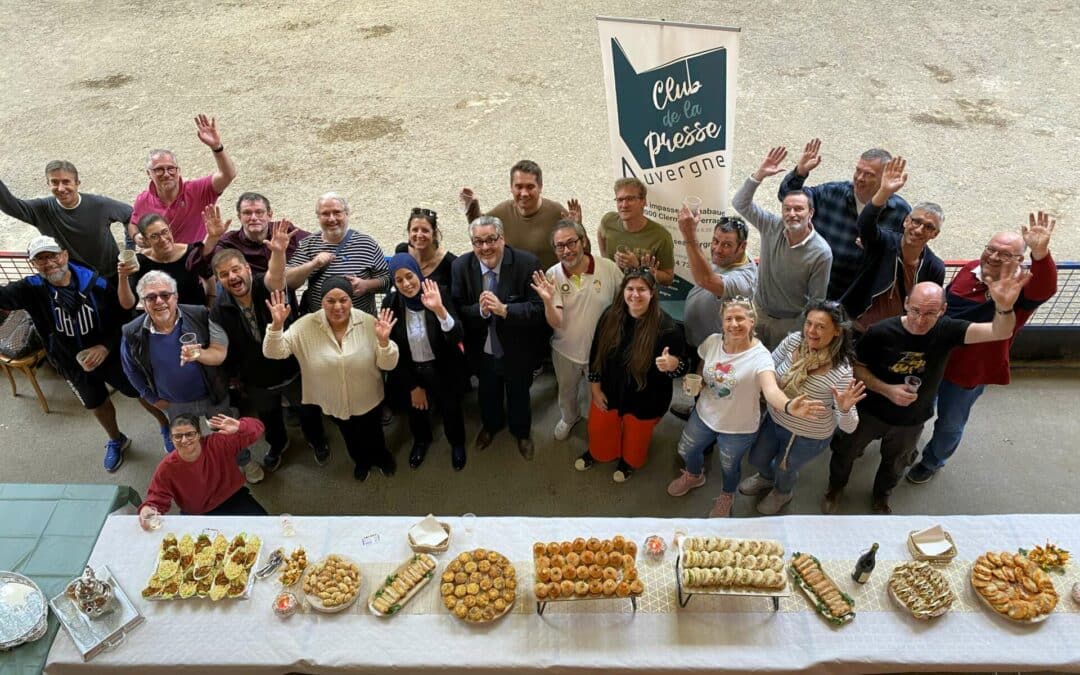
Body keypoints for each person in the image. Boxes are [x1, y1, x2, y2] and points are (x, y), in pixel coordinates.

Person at [824, 275, 1032, 515]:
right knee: (845, 451)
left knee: (896, 463)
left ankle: (881, 497)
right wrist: (887, 389)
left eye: (930, 313)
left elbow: (999, 332)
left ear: (943, 310)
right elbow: (857, 367)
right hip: (870, 412)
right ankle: (835, 489)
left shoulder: (949, 330)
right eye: (915, 310)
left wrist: (1004, 307)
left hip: (912, 417)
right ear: (906, 304)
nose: (920, 320)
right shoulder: (881, 331)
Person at [907, 212, 1059, 484]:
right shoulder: (969, 269)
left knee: (950, 422)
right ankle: (907, 448)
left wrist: (1041, 253)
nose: (994, 256)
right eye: (991, 249)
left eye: (1005, 254)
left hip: (969, 372)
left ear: (1019, 261)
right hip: (935, 360)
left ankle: (932, 461)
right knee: (918, 407)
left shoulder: (1021, 287)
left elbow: (1044, 289)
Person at [0, 236, 170, 472]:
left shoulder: (96, 283)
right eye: (40, 260)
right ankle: (117, 440)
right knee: (96, 403)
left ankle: (165, 426)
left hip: (110, 355)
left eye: (52, 256)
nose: (49, 263)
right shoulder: (32, 288)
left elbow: (123, 317)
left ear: (65, 255)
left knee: (138, 390)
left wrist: (105, 347)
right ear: (34, 265)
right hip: (71, 361)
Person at [665, 297, 826, 517]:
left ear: (752, 321)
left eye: (740, 318)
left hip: (738, 427)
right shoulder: (712, 341)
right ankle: (694, 475)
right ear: (721, 322)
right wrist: (699, 381)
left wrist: (788, 405)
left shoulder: (760, 357)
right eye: (728, 318)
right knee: (686, 449)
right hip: (704, 414)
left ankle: (727, 495)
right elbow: (703, 364)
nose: (734, 324)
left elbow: (770, 389)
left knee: (729, 466)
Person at [119, 270, 264, 484]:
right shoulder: (132, 333)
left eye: (165, 295)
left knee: (227, 432)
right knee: (186, 440)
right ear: (143, 302)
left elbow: (223, 348)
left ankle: (244, 461)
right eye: (151, 297)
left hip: (212, 394)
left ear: (176, 296)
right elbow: (130, 370)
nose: (159, 301)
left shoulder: (200, 314)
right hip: (175, 403)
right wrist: (150, 397)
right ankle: (199, 473)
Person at [210, 226, 330, 472]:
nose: (231, 277)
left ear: (247, 269)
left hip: (291, 369)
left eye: (235, 270)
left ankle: (317, 441)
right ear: (218, 280)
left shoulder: (264, 285)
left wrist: (278, 252)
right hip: (257, 380)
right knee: (269, 418)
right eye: (223, 274)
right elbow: (222, 348)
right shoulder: (218, 310)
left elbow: (276, 277)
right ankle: (278, 445)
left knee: (308, 410)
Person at [263, 277, 400, 481]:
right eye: (330, 301)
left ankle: (382, 458)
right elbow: (274, 352)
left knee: (374, 433)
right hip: (332, 400)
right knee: (349, 435)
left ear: (351, 300)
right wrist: (276, 326)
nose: (338, 307)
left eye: (343, 300)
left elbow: (388, 364)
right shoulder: (305, 326)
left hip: (368, 397)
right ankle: (360, 461)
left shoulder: (368, 322)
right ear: (322, 301)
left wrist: (383, 343)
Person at [738, 301, 866, 514]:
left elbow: (850, 427)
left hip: (806, 435)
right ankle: (765, 478)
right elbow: (768, 366)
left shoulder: (842, 372)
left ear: (837, 331)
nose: (811, 331)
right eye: (809, 323)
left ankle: (782, 492)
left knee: (785, 468)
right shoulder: (793, 341)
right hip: (775, 417)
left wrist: (844, 409)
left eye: (821, 326)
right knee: (757, 457)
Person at [451, 216, 547, 459]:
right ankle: (491, 426)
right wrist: (481, 310)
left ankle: (521, 432)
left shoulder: (527, 264)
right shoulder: (461, 266)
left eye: (491, 239)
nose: (485, 248)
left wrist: (505, 310)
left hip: (517, 351)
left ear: (503, 238)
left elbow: (538, 310)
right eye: (478, 242)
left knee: (519, 394)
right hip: (482, 351)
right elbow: (458, 309)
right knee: (487, 392)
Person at [579, 269, 687, 482]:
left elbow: (682, 368)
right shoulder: (610, 315)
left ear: (652, 293)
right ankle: (599, 452)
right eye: (630, 289)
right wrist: (595, 386)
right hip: (610, 388)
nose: (635, 295)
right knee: (599, 427)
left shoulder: (668, 328)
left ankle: (628, 462)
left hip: (645, 396)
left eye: (641, 289)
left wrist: (673, 364)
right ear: (623, 291)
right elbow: (596, 352)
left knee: (636, 437)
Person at [778, 139, 910, 298]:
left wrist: (880, 248)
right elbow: (788, 198)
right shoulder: (831, 194)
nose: (860, 178)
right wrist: (799, 173)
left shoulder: (900, 212)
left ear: (885, 178)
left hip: (859, 301)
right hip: (818, 292)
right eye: (858, 170)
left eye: (869, 174)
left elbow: (905, 254)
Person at [530, 219, 623, 440]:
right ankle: (569, 418)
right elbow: (556, 321)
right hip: (565, 351)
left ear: (583, 241)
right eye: (560, 246)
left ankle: (599, 424)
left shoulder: (608, 268)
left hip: (601, 352)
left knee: (599, 395)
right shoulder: (552, 275)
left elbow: (623, 304)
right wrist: (546, 301)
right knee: (567, 391)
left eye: (571, 242)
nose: (567, 250)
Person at [731, 146, 833, 349]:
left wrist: (799, 334)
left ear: (810, 213)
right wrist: (759, 174)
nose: (792, 213)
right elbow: (740, 203)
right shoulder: (772, 225)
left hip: (789, 324)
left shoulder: (821, 252)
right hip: (757, 313)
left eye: (799, 209)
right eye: (787, 208)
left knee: (778, 373)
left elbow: (816, 300)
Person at [382, 253, 468, 470]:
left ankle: (457, 443)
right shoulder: (391, 303)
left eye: (409, 276)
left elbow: (457, 336)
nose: (406, 284)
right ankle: (421, 441)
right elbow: (395, 352)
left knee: (451, 409)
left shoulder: (438, 293)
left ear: (418, 273)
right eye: (399, 280)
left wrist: (439, 309)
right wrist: (412, 386)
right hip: (412, 371)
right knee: (416, 410)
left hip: (443, 368)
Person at [840, 157, 944, 333]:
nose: (918, 230)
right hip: (855, 328)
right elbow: (865, 224)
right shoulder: (884, 243)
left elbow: (929, 308)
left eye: (928, 227)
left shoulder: (934, 267)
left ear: (935, 234)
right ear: (905, 221)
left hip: (892, 336)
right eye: (916, 222)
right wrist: (884, 192)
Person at [672, 209, 758, 419]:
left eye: (727, 244)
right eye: (715, 241)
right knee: (696, 382)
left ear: (742, 247)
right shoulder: (726, 260)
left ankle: (702, 427)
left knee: (708, 389)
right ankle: (696, 410)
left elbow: (706, 281)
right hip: (699, 338)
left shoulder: (742, 280)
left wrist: (689, 237)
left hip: (714, 350)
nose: (717, 249)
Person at [0, 160, 132, 279]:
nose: (61, 188)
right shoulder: (40, 209)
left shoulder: (101, 205)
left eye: (66, 182)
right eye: (54, 182)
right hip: (74, 282)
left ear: (77, 183)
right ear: (48, 184)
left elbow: (130, 215)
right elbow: (11, 206)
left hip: (110, 277)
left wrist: (130, 248)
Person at [138, 414, 268, 529]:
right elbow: (155, 499)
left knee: (266, 528)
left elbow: (258, 428)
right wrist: (147, 509)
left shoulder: (218, 442)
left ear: (199, 434)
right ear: (171, 439)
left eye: (189, 434)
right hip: (198, 514)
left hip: (233, 497)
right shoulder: (166, 468)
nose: (184, 440)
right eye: (178, 436)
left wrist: (241, 426)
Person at [130, 114, 238, 244]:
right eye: (159, 169)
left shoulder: (198, 190)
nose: (166, 174)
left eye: (171, 168)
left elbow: (228, 175)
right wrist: (136, 236)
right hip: (162, 260)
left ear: (178, 171)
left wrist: (217, 147)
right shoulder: (143, 200)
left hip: (195, 259)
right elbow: (133, 223)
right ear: (149, 174)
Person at [460, 159, 580, 270]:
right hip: (514, 289)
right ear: (511, 188)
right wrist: (472, 206)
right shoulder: (502, 212)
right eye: (519, 187)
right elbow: (480, 231)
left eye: (530, 187)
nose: (524, 193)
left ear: (540, 187)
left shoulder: (556, 213)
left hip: (550, 287)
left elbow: (581, 253)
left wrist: (578, 228)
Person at [285, 192, 389, 315]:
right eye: (325, 213)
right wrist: (313, 264)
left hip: (360, 324)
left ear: (347, 213)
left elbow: (387, 280)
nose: (332, 219)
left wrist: (366, 285)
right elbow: (288, 281)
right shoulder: (308, 245)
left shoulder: (367, 243)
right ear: (318, 217)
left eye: (337, 212)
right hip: (320, 324)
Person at [187, 191, 310, 275]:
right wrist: (211, 239)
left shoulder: (284, 231)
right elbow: (195, 269)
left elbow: (317, 242)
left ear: (269, 215)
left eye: (259, 212)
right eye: (247, 213)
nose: (253, 217)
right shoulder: (228, 243)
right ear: (239, 217)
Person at [118, 213, 210, 310]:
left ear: (170, 230)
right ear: (146, 240)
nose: (162, 239)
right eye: (154, 236)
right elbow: (128, 304)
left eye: (165, 231)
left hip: (194, 315)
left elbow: (208, 275)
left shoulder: (190, 252)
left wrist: (211, 301)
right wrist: (122, 277)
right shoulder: (141, 261)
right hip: (161, 318)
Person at [596, 178, 675, 286]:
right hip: (612, 291)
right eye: (620, 200)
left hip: (639, 296)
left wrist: (639, 268)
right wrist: (606, 260)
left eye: (630, 199)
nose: (624, 205)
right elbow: (600, 232)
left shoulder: (661, 236)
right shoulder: (609, 220)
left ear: (643, 201)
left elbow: (668, 278)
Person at [393, 207, 457, 287]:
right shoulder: (402, 252)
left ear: (434, 234)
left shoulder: (451, 263)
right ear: (409, 233)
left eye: (425, 230)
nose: (419, 235)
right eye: (415, 230)